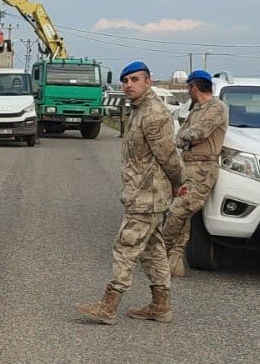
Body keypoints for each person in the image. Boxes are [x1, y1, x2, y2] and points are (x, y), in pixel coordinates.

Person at [76, 61, 183, 324]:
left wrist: (181, 182)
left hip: (147, 196)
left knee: (125, 247)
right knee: (153, 250)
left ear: (148, 81)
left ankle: (109, 307)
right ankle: (161, 306)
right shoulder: (139, 109)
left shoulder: (153, 114)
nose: (129, 85)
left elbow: (168, 156)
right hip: (142, 193)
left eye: (135, 80)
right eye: (125, 81)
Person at [162, 70, 229, 278]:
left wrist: (183, 139)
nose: (187, 92)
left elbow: (199, 133)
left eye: (188, 88)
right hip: (187, 165)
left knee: (178, 210)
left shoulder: (217, 107)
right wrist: (185, 138)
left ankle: (159, 250)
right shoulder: (195, 110)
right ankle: (174, 261)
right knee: (184, 214)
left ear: (194, 87)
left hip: (203, 168)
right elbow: (183, 134)